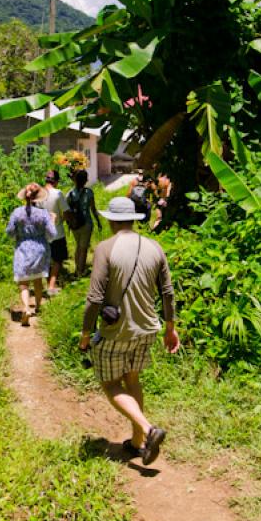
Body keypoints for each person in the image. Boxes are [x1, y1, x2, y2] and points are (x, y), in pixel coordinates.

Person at [79, 196, 180, 466]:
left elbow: (94, 298)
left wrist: (86, 333)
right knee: (132, 379)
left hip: (117, 330)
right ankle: (137, 444)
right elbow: (168, 293)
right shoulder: (154, 246)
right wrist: (171, 328)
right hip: (148, 329)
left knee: (111, 383)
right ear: (133, 220)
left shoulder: (105, 248)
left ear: (111, 219)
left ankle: (148, 430)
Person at [6, 182, 56, 326]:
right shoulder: (43, 214)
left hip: (22, 247)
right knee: (38, 279)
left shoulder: (17, 212)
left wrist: (19, 236)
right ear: (38, 197)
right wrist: (52, 221)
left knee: (23, 282)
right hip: (40, 248)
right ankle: (39, 307)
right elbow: (52, 234)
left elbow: (9, 232)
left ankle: (26, 308)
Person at [37, 169, 72, 295]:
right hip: (57, 232)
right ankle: (51, 286)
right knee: (57, 260)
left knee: (46, 259)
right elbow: (67, 212)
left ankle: (47, 284)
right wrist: (69, 221)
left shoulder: (38, 193)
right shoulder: (58, 194)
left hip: (42, 233)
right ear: (56, 181)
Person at [66, 169, 102, 277]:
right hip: (86, 223)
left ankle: (78, 268)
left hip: (74, 224)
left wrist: (69, 223)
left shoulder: (70, 193)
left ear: (75, 180)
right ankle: (80, 272)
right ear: (86, 180)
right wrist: (98, 221)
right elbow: (93, 209)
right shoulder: (89, 192)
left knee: (78, 246)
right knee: (83, 248)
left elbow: (67, 211)